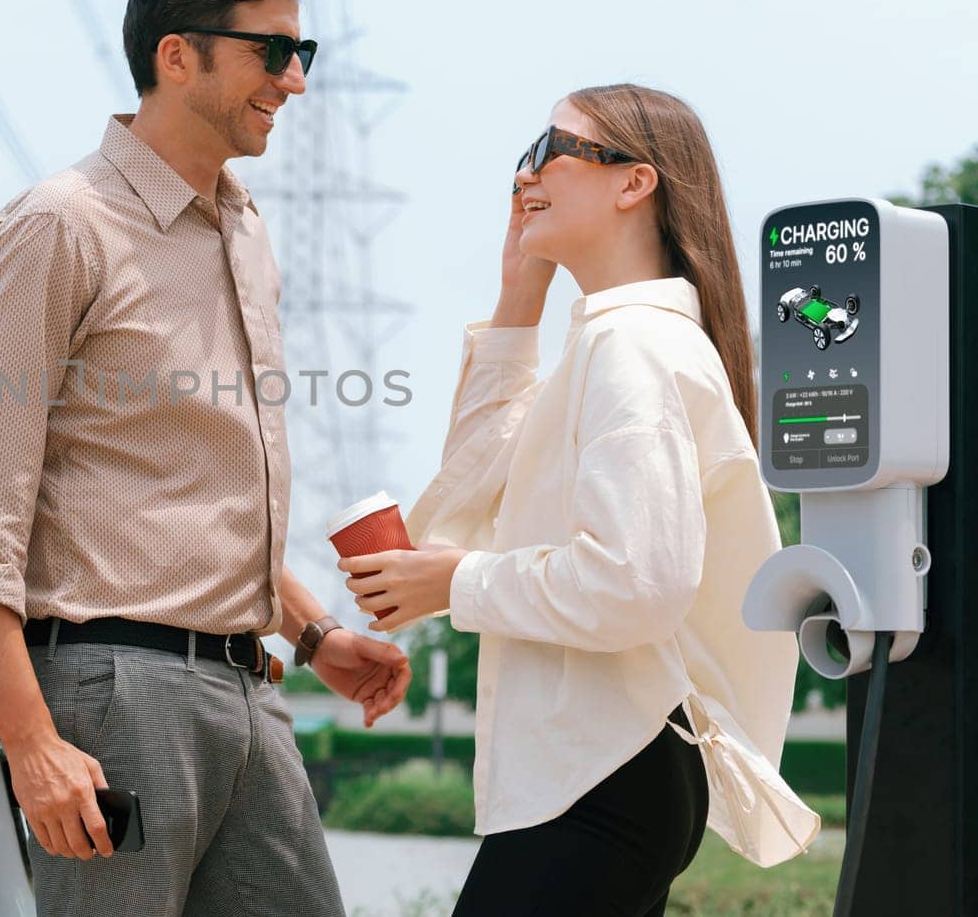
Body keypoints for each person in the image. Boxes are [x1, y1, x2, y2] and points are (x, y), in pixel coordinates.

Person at [0, 0, 411, 917]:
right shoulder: (61, 225)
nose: (295, 80)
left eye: (300, 52)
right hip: (114, 692)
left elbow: (199, 488)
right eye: (272, 52)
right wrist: (32, 741)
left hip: (249, 687)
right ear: (175, 55)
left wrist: (314, 634)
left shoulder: (241, 230)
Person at [338, 84, 819, 915]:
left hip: (604, 771)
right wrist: (519, 295)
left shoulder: (632, 345)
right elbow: (466, 494)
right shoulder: (612, 342)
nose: (523, 176)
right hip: (605, 769)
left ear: (634, 183)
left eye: (548, 147)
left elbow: (637, 582)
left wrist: (456, 584)